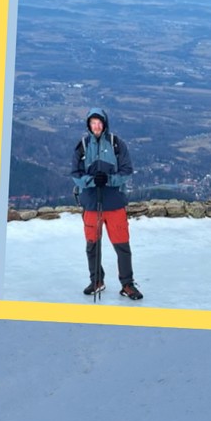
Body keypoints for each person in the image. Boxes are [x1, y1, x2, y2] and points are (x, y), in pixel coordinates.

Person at [70, 107, 143, 300]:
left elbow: (127, 170)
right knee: (93, 245)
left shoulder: (117, 144)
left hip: (115, 203)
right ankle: (96, 281)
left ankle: (127, 284)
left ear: (105, 124)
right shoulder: (82, 146)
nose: (96, 126)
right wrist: (93, 181)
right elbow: (75, 174)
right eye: (93, 123)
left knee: (122, 245)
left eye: (99, 122)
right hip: (91, 204)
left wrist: (109, 180)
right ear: (89, 125)